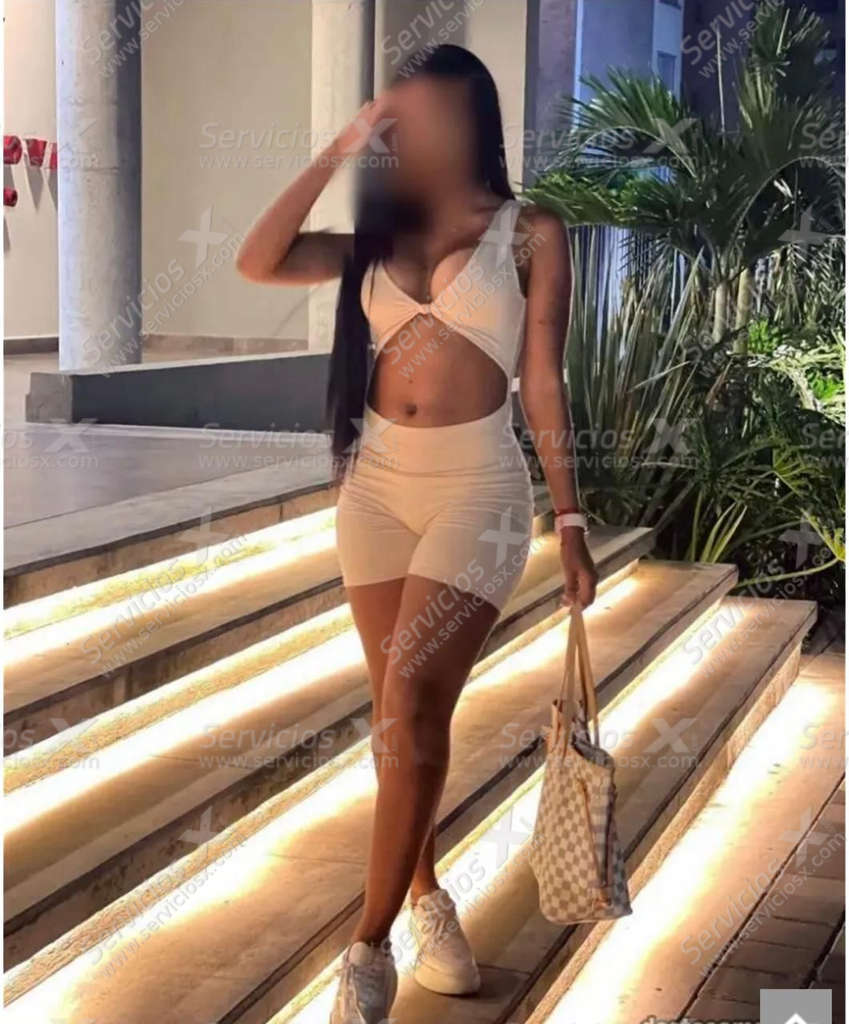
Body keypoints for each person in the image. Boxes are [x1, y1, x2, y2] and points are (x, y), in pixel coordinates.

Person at [237, 43, 597, 1024]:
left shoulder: (529, 230)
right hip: (376, 489)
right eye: (404, 118)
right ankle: (430, 900)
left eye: (431, 114)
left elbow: (543, 380)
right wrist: (340, 144)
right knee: (399, 720)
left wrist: (569, 519)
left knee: (408, 707)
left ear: (472, 120)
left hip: (476, 489)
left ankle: (366, 947)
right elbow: (257, 258)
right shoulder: (376, 233)